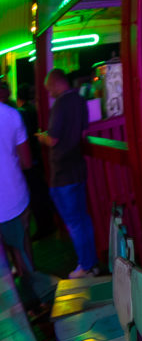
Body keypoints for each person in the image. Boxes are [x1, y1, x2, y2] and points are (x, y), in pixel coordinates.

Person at [35, 69, 98, 278]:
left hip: (62, 174)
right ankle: (92, 263)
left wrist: (40, 136)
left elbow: (53, 139)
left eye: (49, 89)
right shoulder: (80, 100)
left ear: (55, 84)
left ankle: (84, 266)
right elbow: (83, 132)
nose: (50, 94)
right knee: (83, 219)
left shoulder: (60, 104)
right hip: (78, 169)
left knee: (73, 222)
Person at [0, 98, 34, 279]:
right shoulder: (12, 115)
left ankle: (13, 304)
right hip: (14, 196)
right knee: (23, 252)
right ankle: (36, 303)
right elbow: (27, 162)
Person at [17, 83, 57, 239]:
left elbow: (23, 139)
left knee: (35, 194)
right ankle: (48, 222)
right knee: (40, 190)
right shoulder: (32, 110)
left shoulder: (22, 113)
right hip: (37, 154)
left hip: (30, 157)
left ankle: (44, 226)